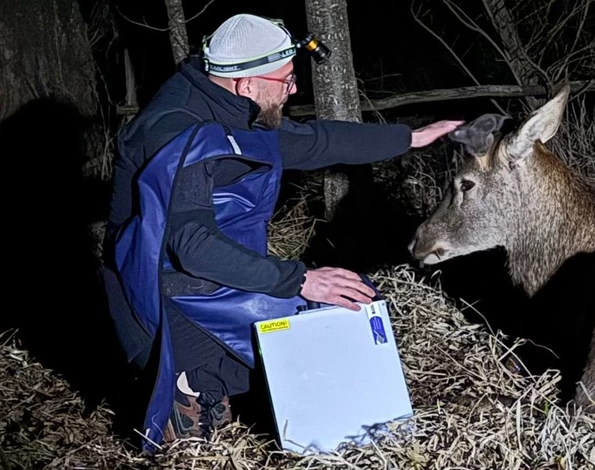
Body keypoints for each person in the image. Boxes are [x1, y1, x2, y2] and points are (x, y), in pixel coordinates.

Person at [100, 13, 462, 453]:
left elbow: (314, 142)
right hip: (163, 288)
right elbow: (189, 246)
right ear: (247, 84)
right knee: (197, 436)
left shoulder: (230, 106)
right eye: (286, 79)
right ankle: (191, 399)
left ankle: (331, 425)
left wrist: (410, 137)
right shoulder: (178, 130)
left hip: (213, 267)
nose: (294, 90)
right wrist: (301, 278)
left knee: (341, 302)